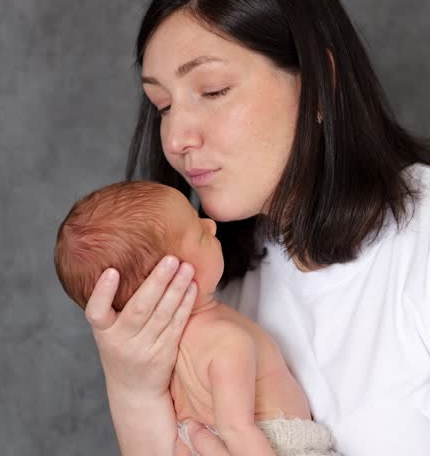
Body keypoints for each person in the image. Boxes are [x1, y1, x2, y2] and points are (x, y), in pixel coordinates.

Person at [77, 0, 430, 455]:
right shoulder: (211, 277)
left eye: (212, 91)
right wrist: (131, 386)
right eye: (162, 105)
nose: (175, 138)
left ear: (320, 87)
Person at [54, 180, 340, 456]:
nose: (211, 225)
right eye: (200, 233)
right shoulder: (227, 341)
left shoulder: (163, 361)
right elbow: (237, 429)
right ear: (170, 275)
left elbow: (179, 438)